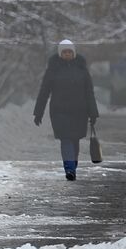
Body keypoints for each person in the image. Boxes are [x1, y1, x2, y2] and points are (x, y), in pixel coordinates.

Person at [33, 39, 99, 180]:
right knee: (66, 140)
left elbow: (89, 92)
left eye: (69, 52)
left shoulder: (82, 69)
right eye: (64, 52)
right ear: (60, 53)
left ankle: (72, 166)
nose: (67, 54)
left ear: (74, 53)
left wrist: (93, 113)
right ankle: (69, 169)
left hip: (80, 111)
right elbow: (44, 91)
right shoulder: (53, 70)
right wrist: (38, 112)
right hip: (59, 112)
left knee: (75, 140)